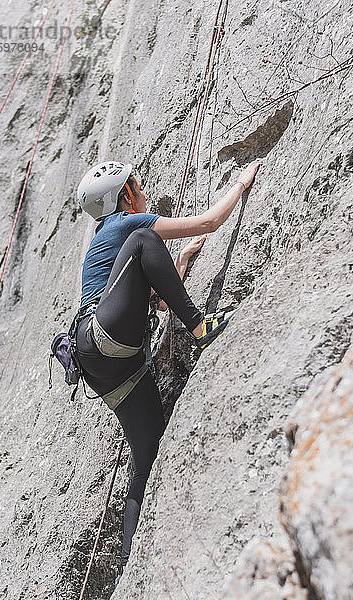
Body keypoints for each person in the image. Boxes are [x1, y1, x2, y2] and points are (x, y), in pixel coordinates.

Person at [74, 159, 260, 583]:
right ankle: (201, 327)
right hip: (107, 339)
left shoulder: (107, 244)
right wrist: (241, 183)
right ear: (124, 195)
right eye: (136, 186)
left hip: (105, 366)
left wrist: (181, 263)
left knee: (147, 454)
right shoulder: (124, 225)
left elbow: (153, 302)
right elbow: (211, 221)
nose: (142, 191)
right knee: (144, 239)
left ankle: (128, 562)